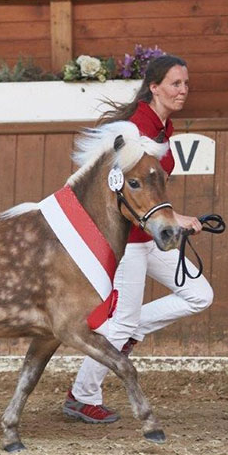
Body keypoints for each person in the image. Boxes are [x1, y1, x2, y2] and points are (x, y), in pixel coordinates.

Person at [63, 55, 214, 423]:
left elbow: (150, 190)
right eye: (176, 84)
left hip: (150, 238)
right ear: (154, 87)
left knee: (199, 295)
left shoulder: (162, 128)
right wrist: (171, 219)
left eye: (186, 84)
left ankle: (123, 332)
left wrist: (173, 220)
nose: (183, 90)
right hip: (128, 243)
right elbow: (119, 188)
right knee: (125, 323)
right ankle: (82, 396)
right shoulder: (134, 131)